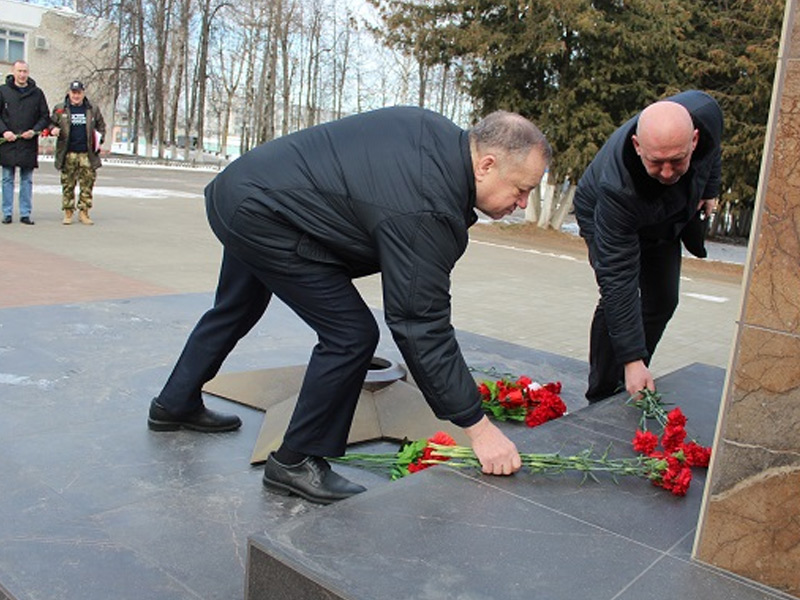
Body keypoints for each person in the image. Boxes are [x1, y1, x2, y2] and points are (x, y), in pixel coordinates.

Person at [148, 107, 551, 504]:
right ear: (486, 164)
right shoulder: (427, 204)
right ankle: (296, 460)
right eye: (521, 189)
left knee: (237, 305)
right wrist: (479, 430)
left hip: (245, 190)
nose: (521, 204)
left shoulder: (435, 134)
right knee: (351, 334)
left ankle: (174, 403)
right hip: (265, 213)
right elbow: (419, 323)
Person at [573, 90, 723, 403]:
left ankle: (638, 372)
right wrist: (630, 358)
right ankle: (602, 391)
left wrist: (709, 189)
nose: (668, 173)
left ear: (693, 140)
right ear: (638, 147)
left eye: (677, 160)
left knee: (663, 299)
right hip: (608, 212)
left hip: (663, 217)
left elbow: (713, 152)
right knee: (617, 297)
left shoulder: (707, 114)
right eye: (656, 162)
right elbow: (618, 280)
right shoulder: (617, 188)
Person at [0, 60, 50, 225]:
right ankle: (7, 213)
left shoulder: (37, 93)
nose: (22, 75)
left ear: (28, 73)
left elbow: (45, 117)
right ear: (13, 72)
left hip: (28, 143)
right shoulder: (3, 91)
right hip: (8, 142)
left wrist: (34, 130)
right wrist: (4, 131)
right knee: (7, 178)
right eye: (19, 71)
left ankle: (25, 213)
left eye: (25, 72)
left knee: (26, 179)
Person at [50, 80, 106, 225]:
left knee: (87, 184)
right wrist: (52, 129)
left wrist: (99, 140)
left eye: (79, 93)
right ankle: (68, 212)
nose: (76, 96)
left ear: (83, 93)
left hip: (87, 154)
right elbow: (50, 123)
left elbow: (101, 126)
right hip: (68, 153)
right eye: (74, 93)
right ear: (69, 93)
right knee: (68, 184)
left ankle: (84, 212)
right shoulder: (60, 109)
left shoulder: (92, 109)